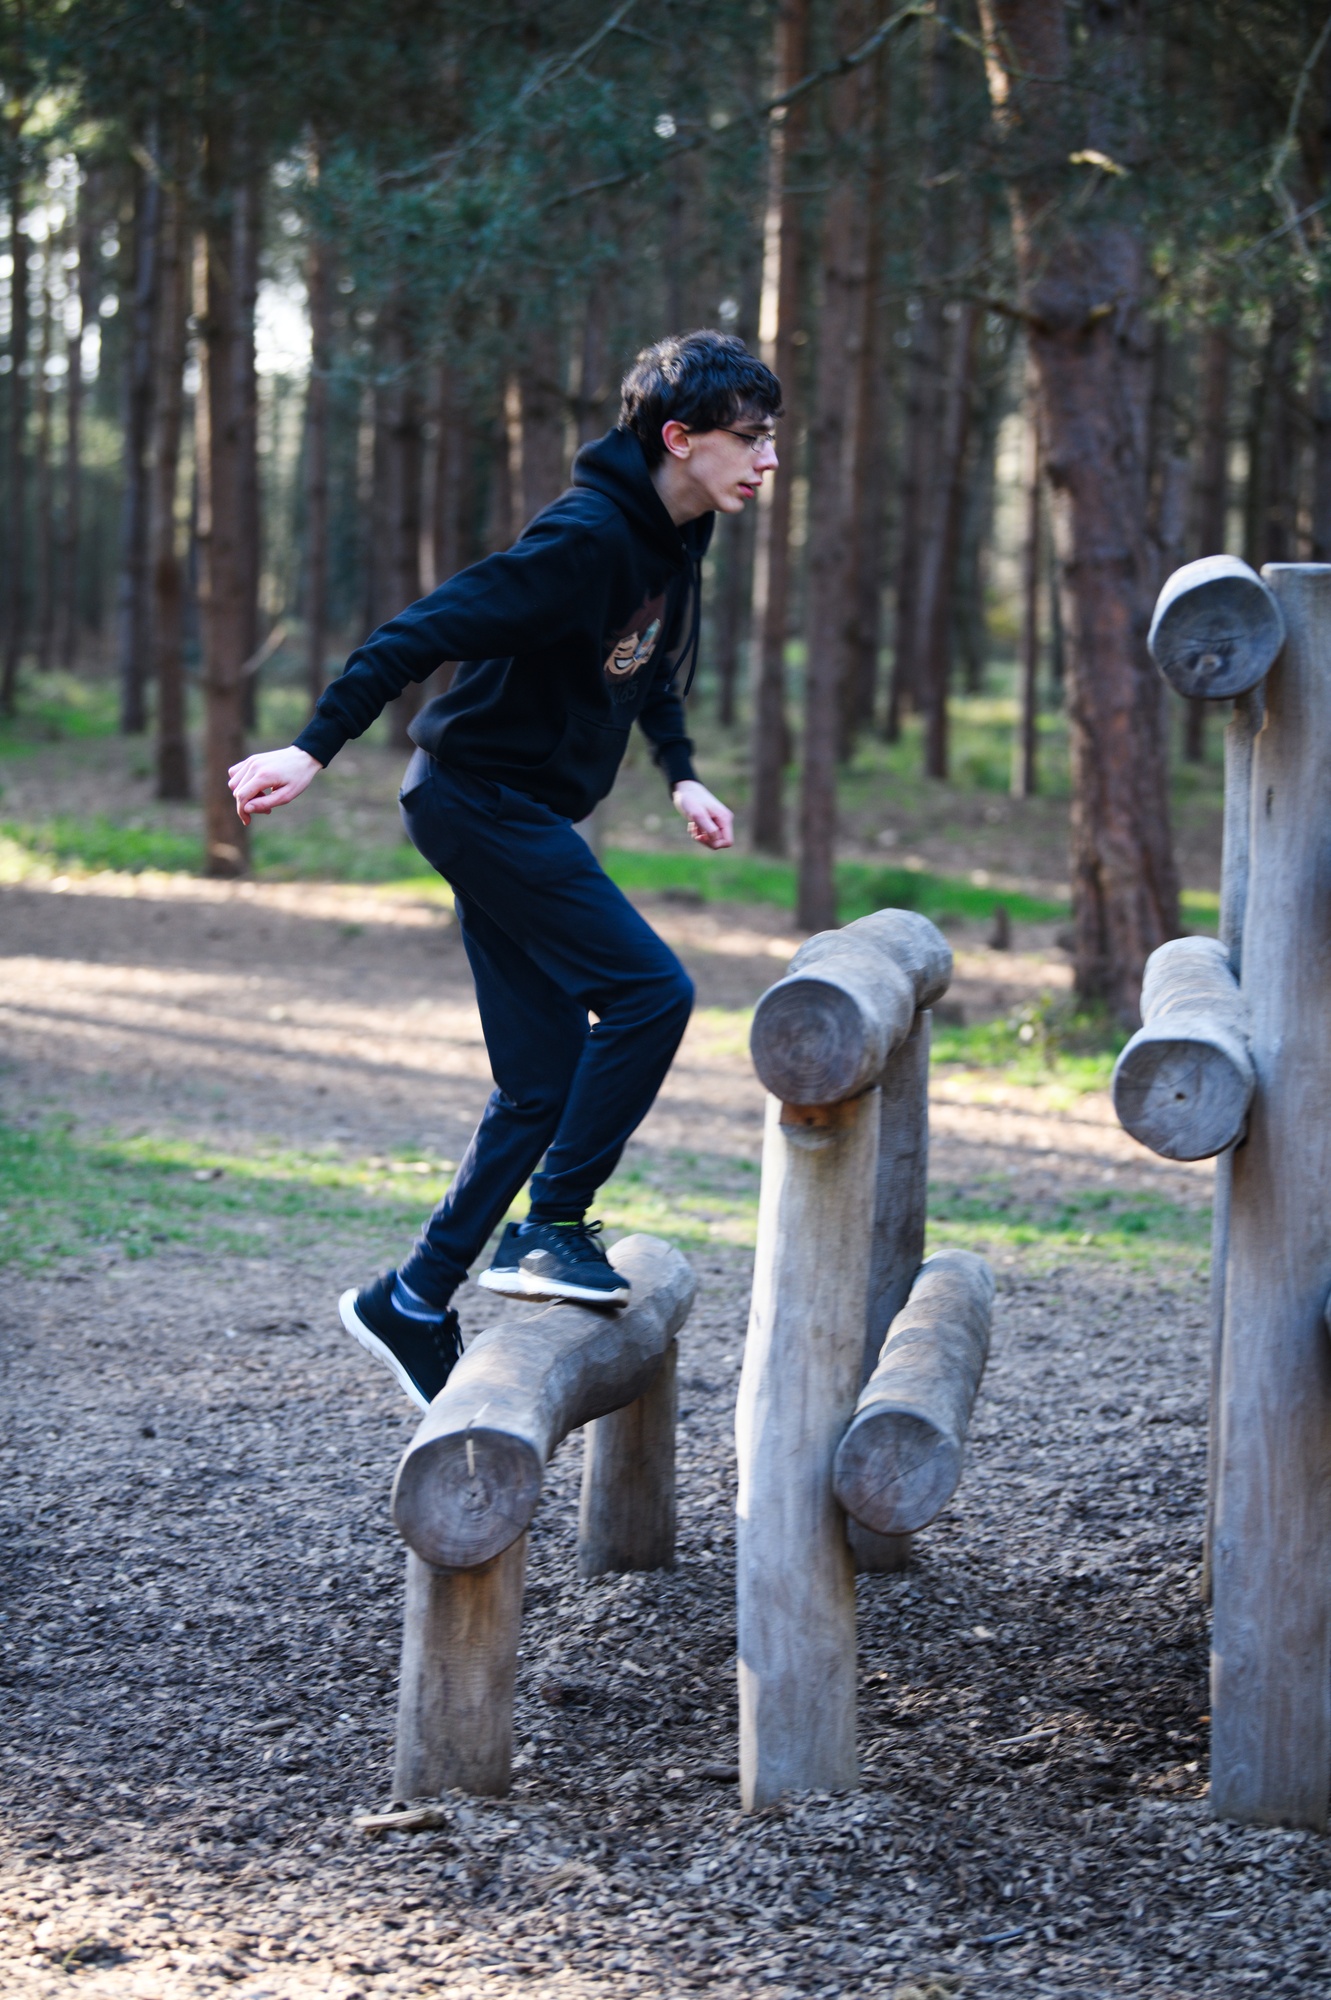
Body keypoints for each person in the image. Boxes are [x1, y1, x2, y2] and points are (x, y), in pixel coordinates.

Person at [228, 330, 781, 1411]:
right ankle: (551, 1223)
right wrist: (311, 748)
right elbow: (414, 633)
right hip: (476, 799)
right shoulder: (583, 538)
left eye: (771, 440)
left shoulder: (677, 534)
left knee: (539, 1079)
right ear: (679, 438)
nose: (767, 460)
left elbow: (646, 667)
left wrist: (679, 773)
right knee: (649, 992)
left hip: (505, 806)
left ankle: (413, 1297)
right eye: (749, 438)